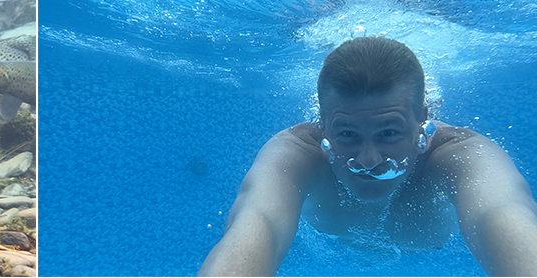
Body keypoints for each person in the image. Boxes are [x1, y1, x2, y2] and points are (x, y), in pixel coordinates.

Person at [198, 37, 537, 276]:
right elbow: (259, 224)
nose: (369, 158)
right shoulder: (297, 154)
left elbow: (502, 212)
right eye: (347, 135)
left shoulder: (460, 155)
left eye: (389, 133)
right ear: (323, 124)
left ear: (423, 117)